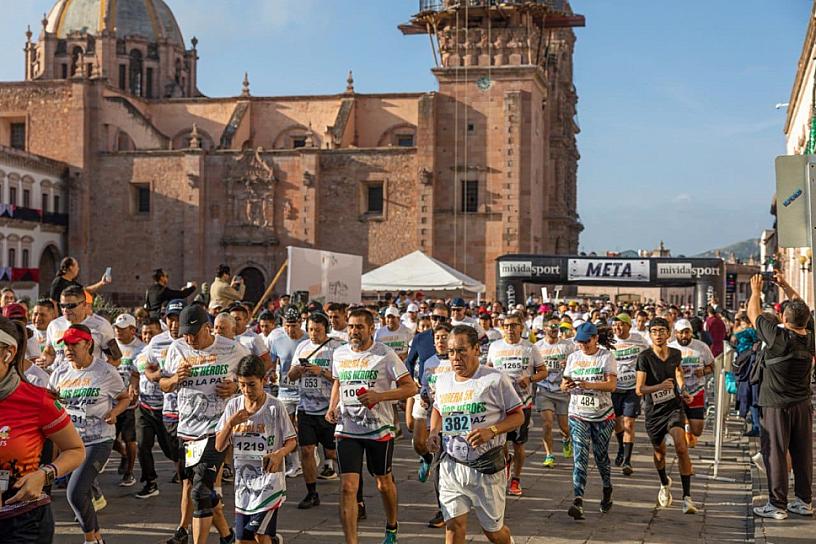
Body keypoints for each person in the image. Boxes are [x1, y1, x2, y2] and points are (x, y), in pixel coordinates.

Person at [160, 304, 249, 544]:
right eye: (185, 334)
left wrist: (236, 387)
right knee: (192, 485)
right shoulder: (177, 348)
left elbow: (254, 377)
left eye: (194, 333)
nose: (189, 339)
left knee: (200, 490)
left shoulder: (231, 348)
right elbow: (163, 384)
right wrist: (174, 379)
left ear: (208, 328)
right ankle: (227, 536)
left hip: (217, 429)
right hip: (188, 430)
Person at [327, 308, 418, 544]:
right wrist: (332, 406)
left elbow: (411, 388)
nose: (354, 331)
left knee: (383, 482)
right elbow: (339, 382)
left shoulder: (385, 354)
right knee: (348, 486)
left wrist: (381, 396)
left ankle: (391, 526)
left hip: (379, 429)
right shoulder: (339, 354)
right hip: (347, 428)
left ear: (371, 329)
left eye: (359, 327)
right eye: (351, 327)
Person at [428, 324, 524, 544]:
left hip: (486, 468)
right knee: (453, 526)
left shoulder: (495, 379)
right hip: (452, 466)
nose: (455, 357)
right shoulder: (443, 380)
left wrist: (491, 431)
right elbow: (438, 409)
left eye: (461, 350)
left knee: (493, 532)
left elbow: (518, 416)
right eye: (451, 351)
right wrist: (434, 431)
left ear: (476, 350)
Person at [0, 317, 84, 544]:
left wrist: (44, 475)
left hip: (22, 522)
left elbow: (75, 450)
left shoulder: (38, 400)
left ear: (8, 353)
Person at [49, 324, 130, 544]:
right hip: (71, 443)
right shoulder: (59, 373)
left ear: (88, 344)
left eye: (74, 343)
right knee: (79, 493)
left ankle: (91, 540)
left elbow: (125, 397)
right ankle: (96, 539)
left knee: (75, 492)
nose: (68, 348)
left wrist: (114, 412)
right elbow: (52, 404)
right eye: (65, 344)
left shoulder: (105, 371)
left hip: (99, 440)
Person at [749, 273, 814, 519]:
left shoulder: (778, 337)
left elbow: (754, 315)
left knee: (775, 452)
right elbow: (802, 309)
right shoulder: (810, 337)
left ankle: (777, 505)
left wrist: (756, 291)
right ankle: (804, 501)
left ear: (784, 319)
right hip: (803, 404)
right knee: (802, 452)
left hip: (776, 405)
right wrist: (785, 285)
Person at [216, 355, 297, 544]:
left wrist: (279, 454)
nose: (246, 390)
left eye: (252, 385)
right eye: (242, 385)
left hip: (269, 483)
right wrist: (230, 424)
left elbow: (292, 441)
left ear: (264, 380)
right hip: (243, 486)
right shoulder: (233, 406)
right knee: (243, 539)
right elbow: (219, 446)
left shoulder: (275, 407)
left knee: (260, 535)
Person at [635, 317, 698, 515]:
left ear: (669, 333)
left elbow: (678, 372)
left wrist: (683, 389)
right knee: (660, 452)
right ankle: (664, 483)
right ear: (650, 334)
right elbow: (639, 389)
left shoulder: (676, 354)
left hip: (673, 406)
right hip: (654, 411)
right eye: (654, 331)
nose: (658, 334)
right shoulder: (644, 357)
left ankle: (687, 498)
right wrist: (660, 387)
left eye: (662, 331)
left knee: (681, 446)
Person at [485, 311, 546, 496]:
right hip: (498, 403)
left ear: (521, 327)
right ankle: (505, 464)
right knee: (500, 440)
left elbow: (543, 371)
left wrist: (530, 378)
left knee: (519, 443)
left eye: (513, 325)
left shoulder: (529, 348)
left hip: (521, 403)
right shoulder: (495, 346)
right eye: (506, 325)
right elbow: (488, 368)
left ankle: (516, 479)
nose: (510, 329)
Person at [561, 322, 617, 520]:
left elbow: (611, 385)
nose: (583, 345)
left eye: (586, 341)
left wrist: (590, 384)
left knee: (601, 457)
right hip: (578, 413)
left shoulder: (606, 357)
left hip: (602, 415)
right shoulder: (573, 357)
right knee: (580, 457)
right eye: (579, 342)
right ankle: (578, 499)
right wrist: (566, 385)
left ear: (595, 339)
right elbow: (564, 383)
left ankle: (607, 488)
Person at [288, 312, 343, 509]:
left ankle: (349, 487)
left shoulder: (336, 348)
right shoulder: (302, 347)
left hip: (329, 408)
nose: (313, 334)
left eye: (318, 330)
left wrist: (322, 372)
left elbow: (342, 379)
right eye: (310, 329)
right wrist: (299, 371)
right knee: (307, 450)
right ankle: (311, 493)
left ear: (325, 329)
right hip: (306, 408)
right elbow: (291, 375)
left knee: (332, 451)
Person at [137, 301, 184, 501]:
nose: (174, 324)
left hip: (178, 408)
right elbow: (144, 364)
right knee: (142, 444)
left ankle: (185, 480)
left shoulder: (192, 341)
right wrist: (153, 375)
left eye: (179, 320)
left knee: (173, 450)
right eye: (171, 319)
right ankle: (150, 482)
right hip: (149, 404)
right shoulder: (157, 341)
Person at [415, 322, 452, 528]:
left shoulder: (459, 360)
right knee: (438, 467)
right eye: (437, 338)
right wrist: (423, 398)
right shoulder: (428, 362)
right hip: (436, 422)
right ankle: (443, 509)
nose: (440, 341)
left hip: (461, 423)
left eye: (444, 337)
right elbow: (424, 387)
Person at [267, 305, 309, 478]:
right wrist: (268, 374)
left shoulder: (307, 339)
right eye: (287, 325)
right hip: (284, 390)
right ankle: (295, 462)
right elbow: (271, 361)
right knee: (286, 427)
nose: (291, 329)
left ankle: (308, 455)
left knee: (301, 426)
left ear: (301, 323)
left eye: (294, 325)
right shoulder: (276, 339)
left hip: (304, 390)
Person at [38, 285, 121, 371]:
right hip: (60, 379)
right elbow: (49, 352)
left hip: (87, 380)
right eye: (62, 306)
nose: (65, 310)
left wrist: (99, 373)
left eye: (71, 305)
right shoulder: (54, 325)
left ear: (84, 305)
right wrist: (44, 359)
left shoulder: (101, 325)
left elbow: (116, 359)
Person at [610, 313, 649, 475]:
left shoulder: (639, 340)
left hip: (633, 388)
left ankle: (627, 460)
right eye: (614, 325)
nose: (617, 328)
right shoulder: (609, 342)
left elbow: (649, 357)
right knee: (617, 424)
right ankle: (621, 447)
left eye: (620, 325)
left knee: (629, 423)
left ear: (628, 325)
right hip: (614, 388)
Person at [534, 314, 575, 467]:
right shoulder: (537, 347)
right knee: (548, 423)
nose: (555, 330)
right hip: (544, 389)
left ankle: (566, 439)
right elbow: (533, 368)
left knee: (564, 427)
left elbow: (575, 365)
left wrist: (568, 364)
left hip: (562, 390)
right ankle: (549, 455)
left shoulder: (567, 346)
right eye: (552, 327)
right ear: (544, 328)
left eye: (558, 327)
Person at [669, 319, 714, 447]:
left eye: (687, 332)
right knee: (677, 421)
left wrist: (704, 371)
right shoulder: (671, 347)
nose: (684, 336)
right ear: (675, 333)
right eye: (681, 333)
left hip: (696, 390)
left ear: (691, 333)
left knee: (698, 430)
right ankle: (682, 433)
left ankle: (689, 428)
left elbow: (712, 366)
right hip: (677, 391)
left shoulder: (701, 347)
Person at [112, 313, 143, 488]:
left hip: (130, 402)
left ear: (132, 330)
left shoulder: (141, 347)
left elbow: (138, 372)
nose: (118, 332)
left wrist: (135, 385)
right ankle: (123, 454)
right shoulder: (110, 345)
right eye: (116, 328)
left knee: (130, 438)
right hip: (111, 400)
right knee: (110, 440)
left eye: (122, 329)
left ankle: (130, 472)